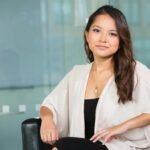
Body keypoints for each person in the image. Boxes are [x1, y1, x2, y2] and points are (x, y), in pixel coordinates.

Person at [39, 5, 150, 150]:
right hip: (84, 145)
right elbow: (49, 104)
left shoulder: (136, 71)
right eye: (97, 31)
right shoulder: (77, 74)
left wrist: (121, 127)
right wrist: (47, 119)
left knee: (64, 146)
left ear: (121, 40)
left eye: (112, 34)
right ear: (87, 35)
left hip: (120, 147)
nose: (103, 39)